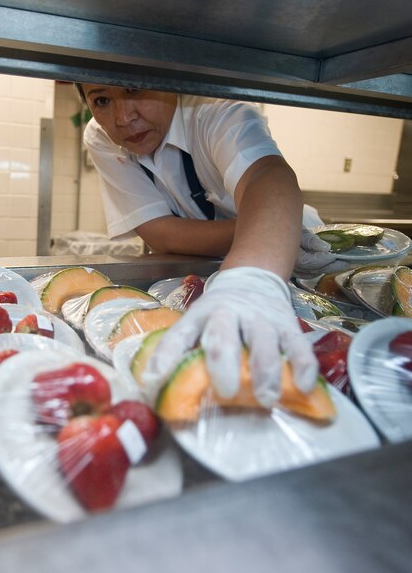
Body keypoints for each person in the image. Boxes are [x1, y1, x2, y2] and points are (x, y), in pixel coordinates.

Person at [76, 83, 341, 407]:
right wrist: (244, 246)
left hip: (288, 256)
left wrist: (253, 275)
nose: (123, 117)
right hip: (231, 260)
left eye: (135, 90)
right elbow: (161, 233)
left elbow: (267, 176)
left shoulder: (217, 109)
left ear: (171, 77)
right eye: (102, 100)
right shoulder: (100, 136)